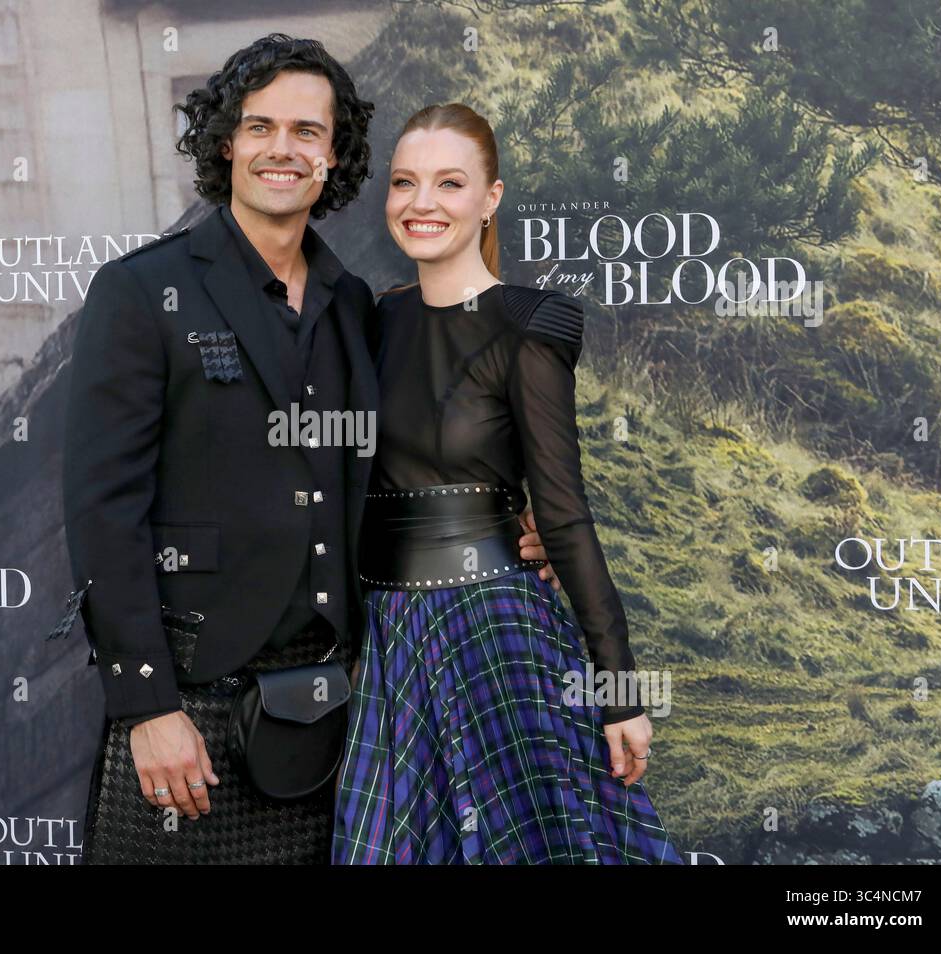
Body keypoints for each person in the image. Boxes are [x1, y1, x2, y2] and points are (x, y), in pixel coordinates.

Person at [60, 37, 555, 864]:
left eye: (306, 131)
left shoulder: (353, 304)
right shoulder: (141, 292)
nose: (282, 149)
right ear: (227, 142)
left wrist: (506, 526)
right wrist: (146, 707)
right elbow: (102, 512)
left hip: (346, 715)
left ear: (335, 155)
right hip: (194, 709)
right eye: (260, 127)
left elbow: (399, 466)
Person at [332, 103, 685, 864]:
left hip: (494, 626)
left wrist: (619, 691)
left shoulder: (528, 325)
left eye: (449, 183)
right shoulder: (368, 321)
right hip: (389, 643)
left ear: (490, 198)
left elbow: (563, 513)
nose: (421, 203)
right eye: (404, 183)